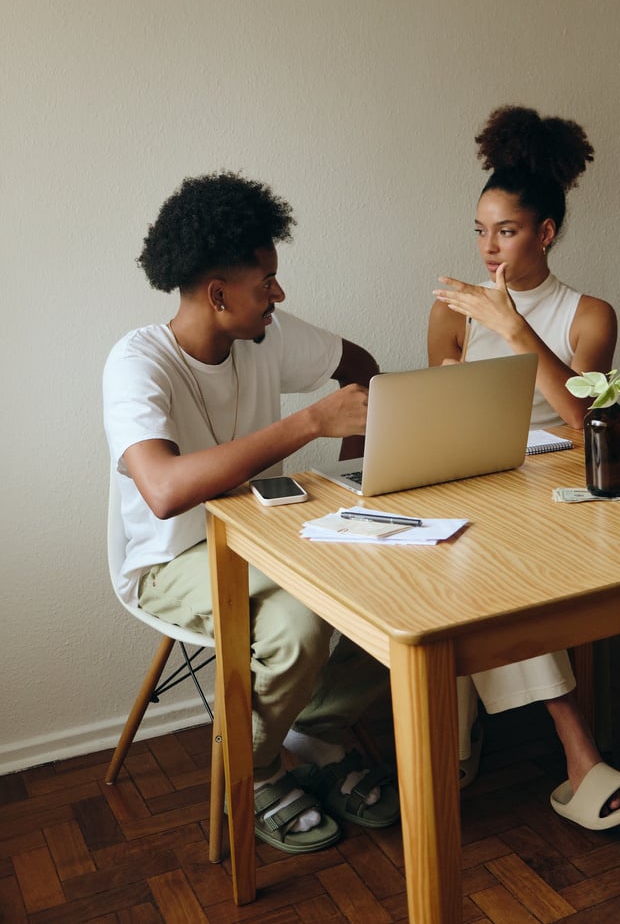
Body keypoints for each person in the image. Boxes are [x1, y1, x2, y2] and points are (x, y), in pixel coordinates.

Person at [103, 171, 399, 855]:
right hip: (170, 558)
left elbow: (359, 367)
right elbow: (165, 488)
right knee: (300, 622)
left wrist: (359, 470)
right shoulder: (136, 362)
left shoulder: (265, 335)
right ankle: (253, 768)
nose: (279, 293)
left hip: (267, 539)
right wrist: (306, 425)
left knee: (392, 581)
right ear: (217, 293)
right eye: (267, 279)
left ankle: (314, 735)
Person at [429, 105, 620, 831]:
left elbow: (582, 420)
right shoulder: (454, 308)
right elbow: (446, 412)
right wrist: (479, 322)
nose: (490, 249)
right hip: (474, 480)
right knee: (473, 551)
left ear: (545, 232)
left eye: (508, 230)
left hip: (553, 487)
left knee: (477, 558)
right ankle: (577, 753)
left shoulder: (588, 314)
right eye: (481, 231)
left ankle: (458, 743)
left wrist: (514, 329)